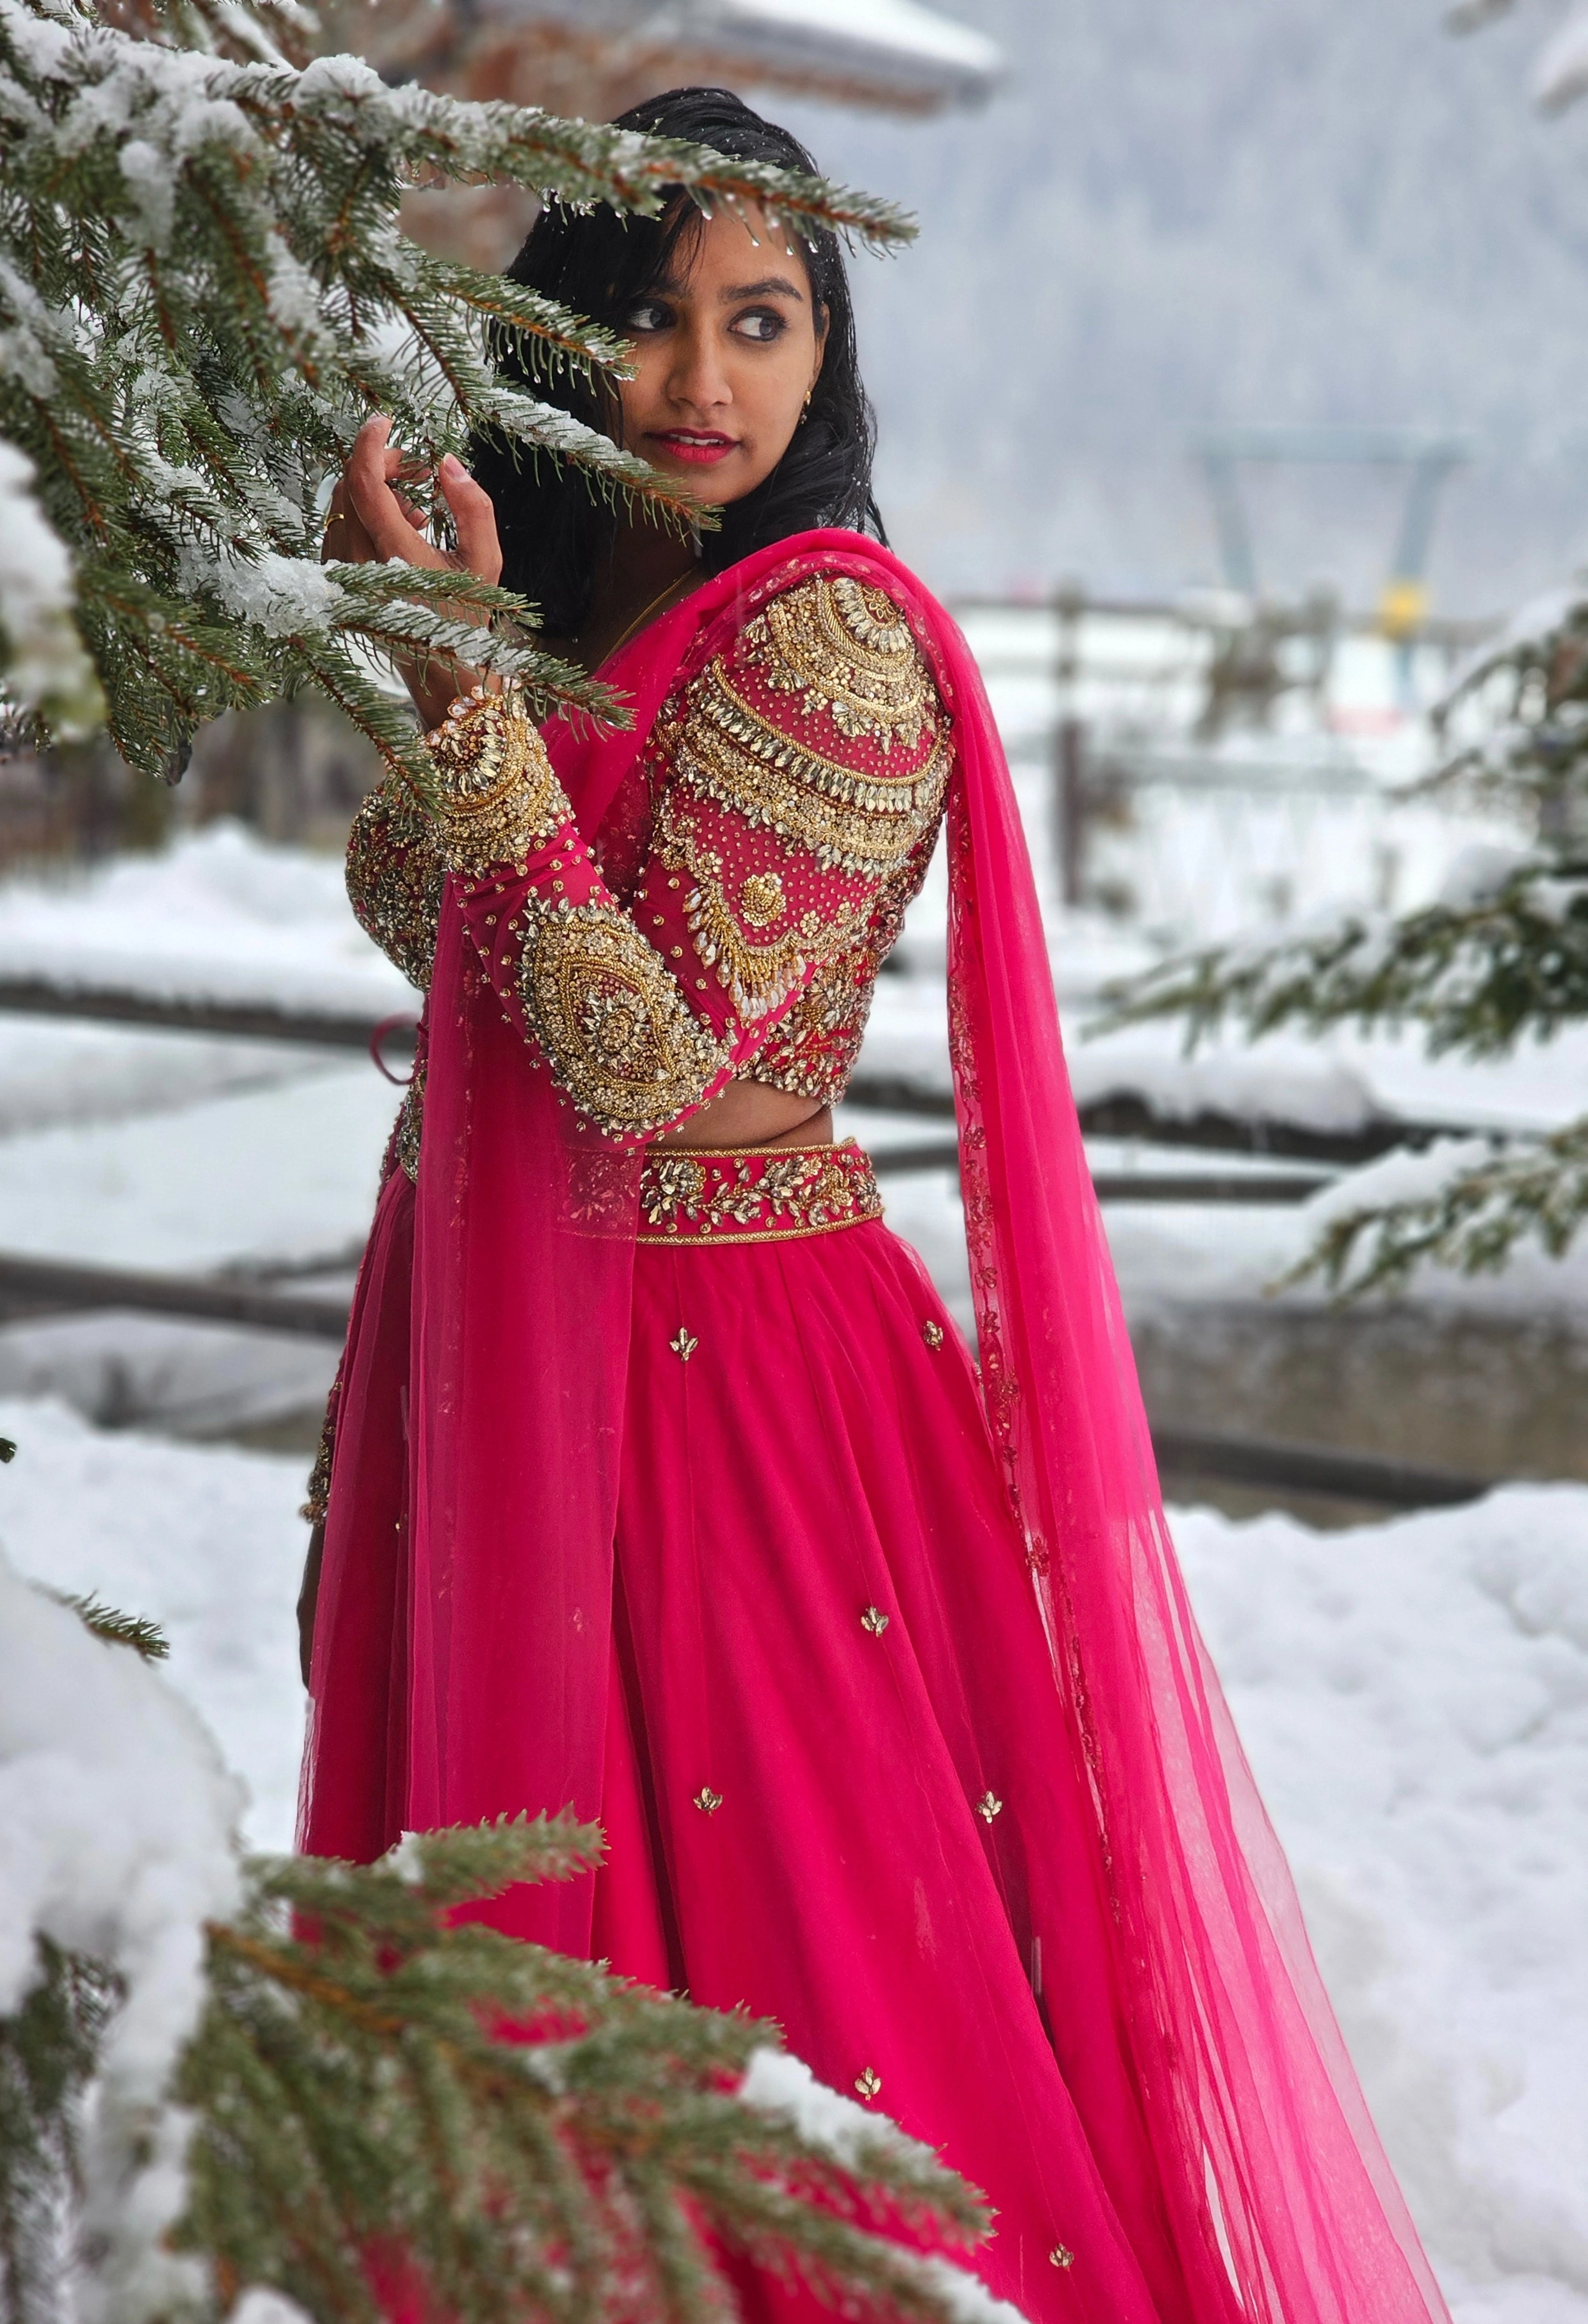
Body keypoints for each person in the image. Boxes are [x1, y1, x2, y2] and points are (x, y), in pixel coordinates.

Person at [295, 86, 1451, 2324]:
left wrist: (467, 705)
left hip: (732, 1399)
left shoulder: (828, 638)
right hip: (525, 1332)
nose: (701, 380)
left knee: (790, 1992)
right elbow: (409, 906)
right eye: (643, 320)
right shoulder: (598, 585)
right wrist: (448, 641)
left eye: (761, 321)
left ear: (830, 360)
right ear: (563, 345)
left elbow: (656, 1061)